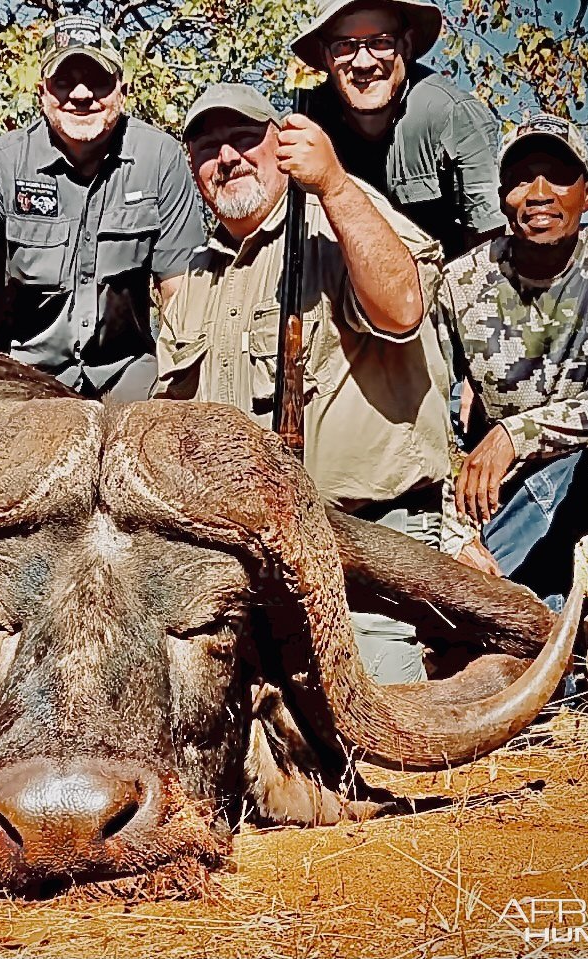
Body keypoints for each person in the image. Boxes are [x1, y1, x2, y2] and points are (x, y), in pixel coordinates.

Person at [155, 82, 457, 683]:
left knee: (373, 738)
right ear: (193, 170)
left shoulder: (338, 217)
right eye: (208, 148)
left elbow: (401, 307)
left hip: (365, 539)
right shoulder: (191, 278)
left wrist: (336, 184)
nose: (228, 158)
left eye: (245, 138)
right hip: (240, 556)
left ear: (283, 143)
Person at [437, 113, 588, 708]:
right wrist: (452, 533)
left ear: (587, 194)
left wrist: (515, 434)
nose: (539, 194)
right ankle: (536, 641)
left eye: (558, 177)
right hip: (509, 503)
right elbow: (427, 422)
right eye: (521, 179)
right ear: (501, 198)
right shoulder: (460, 281)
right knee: (534, 692)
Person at [0, 15, 204, 400]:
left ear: (122, 89)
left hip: (126, 371)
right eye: (64, 81)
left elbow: (180, 288)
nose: (81, 94)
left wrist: (184, 380)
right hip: (15, 373)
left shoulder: (160, 157)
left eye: (98, 80)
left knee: (171, 437)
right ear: (42, 92)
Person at [291, 0, 503, 259]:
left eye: (380, 43)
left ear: (407, 44)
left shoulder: (454, 115)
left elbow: (491, 246)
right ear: (326, 55)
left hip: (442, 286)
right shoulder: (306, 123)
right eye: (345, 46)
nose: (363, 63)